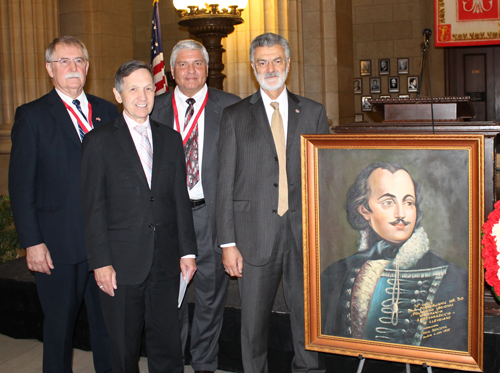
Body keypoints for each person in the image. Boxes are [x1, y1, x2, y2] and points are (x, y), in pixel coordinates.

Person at [216, 32, 330, 373]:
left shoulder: (313, 112)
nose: (270, 68)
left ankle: (308, 369)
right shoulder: (235, 115)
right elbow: (224, 182)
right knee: (252, 325)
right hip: (253, 235)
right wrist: (227, 243)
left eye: (276, 60)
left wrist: (324, 237)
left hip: (302, 235)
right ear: (253, 67)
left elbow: (325, 179)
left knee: (307, 320)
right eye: (262, 62)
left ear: (288, 64)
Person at [80, 60, 197, 372]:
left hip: (166, 263)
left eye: (148, 88)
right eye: (133, 88)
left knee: (168, 346)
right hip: (120, 264)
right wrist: (100, 263)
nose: (142, 95)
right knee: (123, 349)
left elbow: (179, 199)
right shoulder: (98, 142)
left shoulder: (171, 139)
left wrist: (187, 251)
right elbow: (92, 209)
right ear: (119, 94)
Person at [8, 36, 117, 372]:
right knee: (58, 328)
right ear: (49, 69)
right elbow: (20, 186)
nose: (73, 68)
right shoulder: (32, 116)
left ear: (87, 66)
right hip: (56, 244)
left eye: (79, 61)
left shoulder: (108, 112)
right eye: (64, 62)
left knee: (108, 327)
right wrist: (32, 243)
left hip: (105, 245)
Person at [151, 39, 240, 373]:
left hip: (210, 216)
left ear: (207, 69)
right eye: (183, 65)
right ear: (172, 71)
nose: (191, 71)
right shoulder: (152, 108)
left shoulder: (232, 106)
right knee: (168, 297)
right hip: (166, 219)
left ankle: (204, 363)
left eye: (198, 64)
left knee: (210, 298)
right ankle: (173, 361)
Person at [321, 162, 468, 351]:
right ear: (364, 209)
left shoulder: (455, 278)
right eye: (388, 202)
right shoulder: (335, 274)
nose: (401, 214)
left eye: (408, 203)